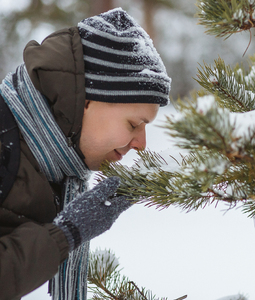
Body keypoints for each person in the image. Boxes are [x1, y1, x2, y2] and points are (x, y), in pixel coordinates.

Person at [0, 7, 171, 300]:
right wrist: (66, 234)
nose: (141, 144)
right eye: (134, 124)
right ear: (86, 99)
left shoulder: (50, 163)